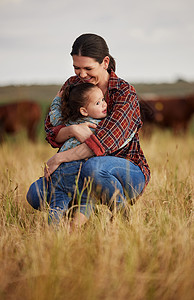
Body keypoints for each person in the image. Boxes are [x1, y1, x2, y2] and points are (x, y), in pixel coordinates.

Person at [27, 33, 150, 228]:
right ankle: (75, 216)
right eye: (77, 68)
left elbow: (102, 144)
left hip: (125, 171)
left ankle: (123, 217)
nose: (82, 74)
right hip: (76, 169)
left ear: (105, 62)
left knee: (94, 167)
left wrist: (59, 158)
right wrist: (73, 130)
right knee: (36, 194)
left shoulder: (124, 93)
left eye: (88, 68)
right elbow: (51, 131)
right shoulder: (72, 85)